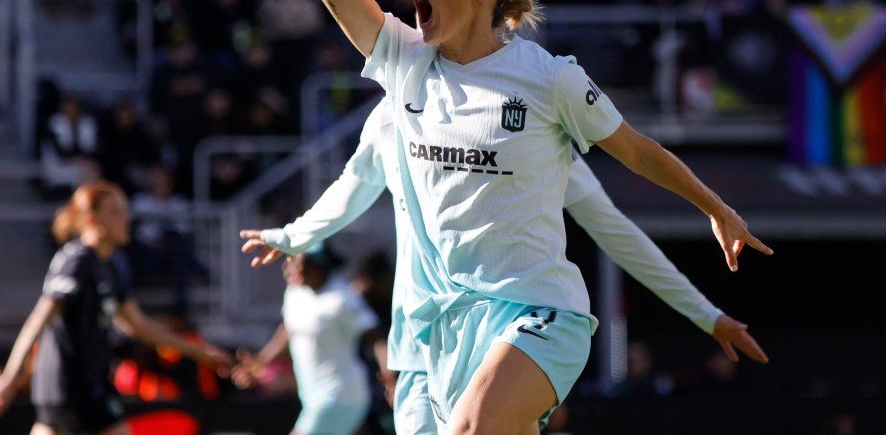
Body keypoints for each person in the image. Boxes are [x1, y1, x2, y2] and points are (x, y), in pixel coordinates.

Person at [246, 0, 771, 435]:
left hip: (536, 312)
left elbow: (634, 152)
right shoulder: (402, 61)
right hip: (429, 334)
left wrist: (715, 209)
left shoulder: (549, 79)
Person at [241, 101, 769, 434]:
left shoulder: (533, 125)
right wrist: (292, 235)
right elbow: (350, 188)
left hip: (504, 330)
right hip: (421, 344)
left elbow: (616, 230)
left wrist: (705, 314)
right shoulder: (392, 114)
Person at [0, 180, 233, 435]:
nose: (127, 219)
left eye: (125, 210)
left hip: (93, 384)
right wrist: (10, 380)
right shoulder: (76, 262)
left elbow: (139, 326)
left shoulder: (113, 266)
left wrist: (201, 352)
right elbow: (39, 319)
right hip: (64, 386)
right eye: (116, 212)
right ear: (92, 218)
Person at [232, 243, 384, 435]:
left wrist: (390, 375)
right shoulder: (295, 293)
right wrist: (261, 360)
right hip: (312, 395)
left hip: (340, 395)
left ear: (316, 267)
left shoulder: (342, 299)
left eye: (295, 263)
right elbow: (289, 330)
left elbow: (377, 338)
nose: (287, 269)